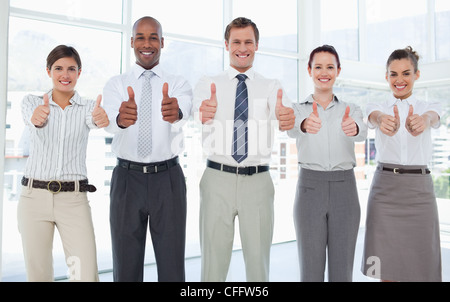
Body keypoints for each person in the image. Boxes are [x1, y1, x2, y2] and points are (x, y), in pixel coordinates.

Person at [193, 17, 295, 282]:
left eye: (248, 41)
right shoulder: (208, 83)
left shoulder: (272, 85)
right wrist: (203, 112)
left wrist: (287, 117)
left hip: (258, 182)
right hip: (217, 179)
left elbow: (286, 116)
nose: (242, 47)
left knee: (258, 266)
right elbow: (197, 112)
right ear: (226, 45)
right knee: (212, 267)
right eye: (236, 41)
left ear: (257, 45)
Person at [103, 16, 192, 282]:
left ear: (162, 42)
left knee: (172, 266)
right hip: (127, 180)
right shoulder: (116, 84)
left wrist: (174, 111)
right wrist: (120, 118)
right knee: (126, 266)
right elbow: (108, 119)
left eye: (153, 37)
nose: (147, 43)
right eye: (140, 37)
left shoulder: (177, 83)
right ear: (131, 42)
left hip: (168, 179)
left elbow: (184, 109)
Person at [19, 44, 109, 282]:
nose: (65, 75)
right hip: (33, 198)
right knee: (38, 275)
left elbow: (101, 121)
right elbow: (33, 121)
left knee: (85, 274)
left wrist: (105, 119)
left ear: (79, 72)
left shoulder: (90, 108)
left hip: (74, 200)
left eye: (71, 69)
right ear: (48, 71)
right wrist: (38, 118)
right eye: (58, 68)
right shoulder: (31, 103)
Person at [287, 45, 368, 282]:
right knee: (310, 270)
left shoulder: (351, 109)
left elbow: (362, 131)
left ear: (338, 70)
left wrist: (353, 128)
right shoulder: (297, 109)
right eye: (318, 66)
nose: (324, 72)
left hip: (345, 188)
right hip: (310, 187)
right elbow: (292, 129)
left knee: (342, 270)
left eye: (330, 67)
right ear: (309, 70)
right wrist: (303, 125)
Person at [361, 46, 442, 282]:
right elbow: (373, 117)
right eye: (393, 74)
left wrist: (424, 120)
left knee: (422, 266)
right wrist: (381, 119)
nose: (399, 80)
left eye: (406, 73)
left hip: (419, 191)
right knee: (385, 268)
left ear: (416, 75)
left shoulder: (430, 106)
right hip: (385, 191)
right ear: (386, 77)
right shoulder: (376, 107)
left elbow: (433, 117)